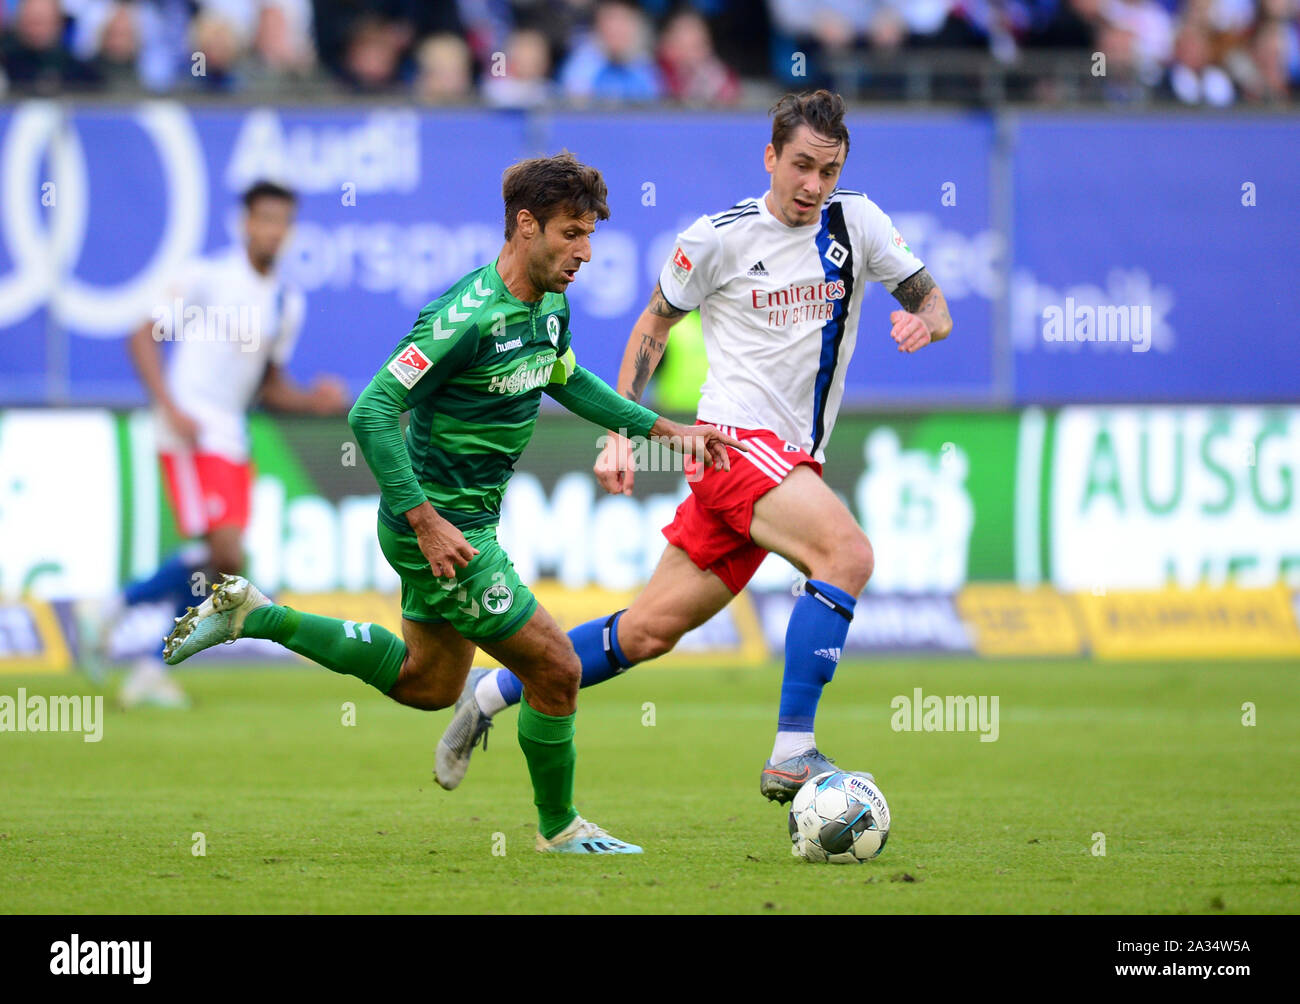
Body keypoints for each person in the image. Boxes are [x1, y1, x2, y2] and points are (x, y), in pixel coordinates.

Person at [160, 153, 743, 854]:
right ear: (525, 226)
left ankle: (259, 614)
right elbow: (372, 411)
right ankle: (560, 829)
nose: (585, 253)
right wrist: (426, 521)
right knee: (555, 670)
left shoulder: (549, 306)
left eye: (589, 236)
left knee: (428, 685)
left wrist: (661, 429)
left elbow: (566, 378)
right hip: (440, 527)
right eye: (571, 234)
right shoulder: (462, 318)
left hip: (455, 525)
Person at [439, 90, 953, 805]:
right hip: (733, 445)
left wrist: (927, 322)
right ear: (770, 157)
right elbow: (653, 326)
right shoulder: (717, 238)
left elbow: (932, 299)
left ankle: (490, 692)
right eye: (800, 165)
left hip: (790, 458)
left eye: (827, 172)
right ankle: (793, 753)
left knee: (646, 633)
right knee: (848, 555)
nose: (812, 185)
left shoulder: (856, 224)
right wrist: (622, 429)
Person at [81, 181, 348, 708]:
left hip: (230, 434)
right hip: (190, 427)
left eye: (282, 221)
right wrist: (169, 406)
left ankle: (126, 636)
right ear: (246, 223)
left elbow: (268, 388)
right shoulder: (209, 277)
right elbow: (142, 333)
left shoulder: (285, 303)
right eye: (264, 218)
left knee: (218, 562)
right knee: (226, 554)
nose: (273, 230)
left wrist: (312, 401)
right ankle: (124, 624)